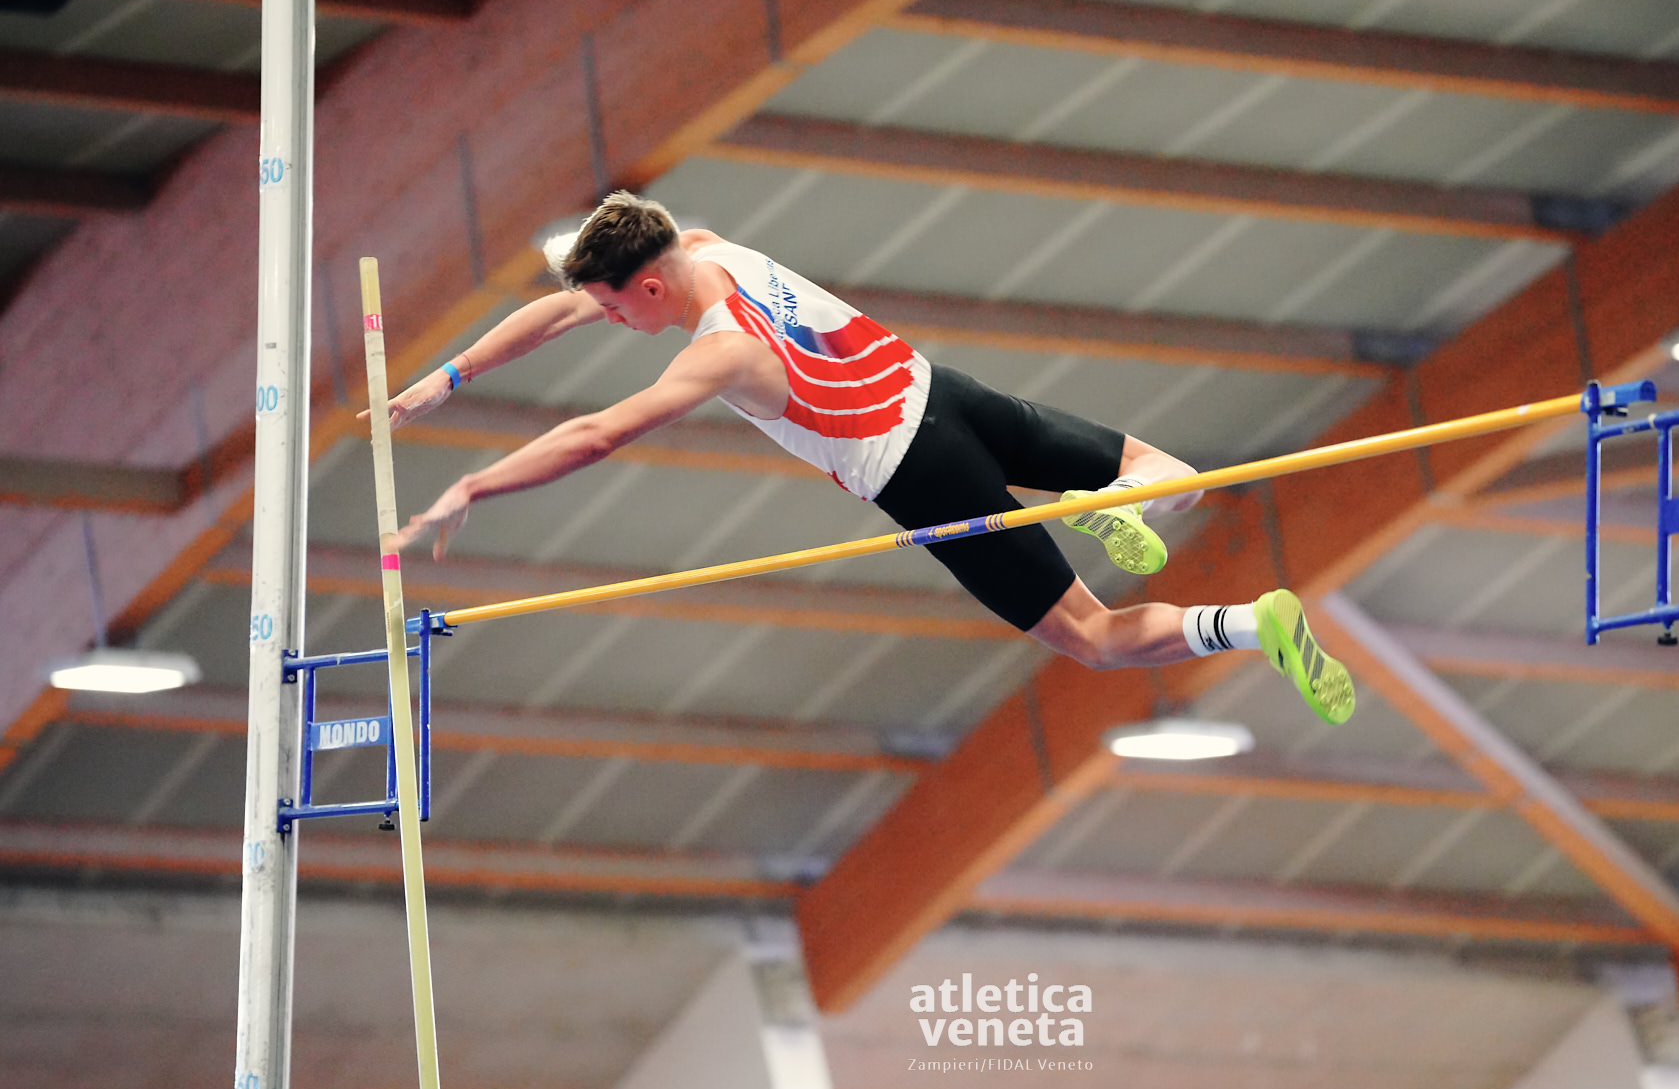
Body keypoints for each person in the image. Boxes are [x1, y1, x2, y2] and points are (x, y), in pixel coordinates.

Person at [384, 192, 1353, 726]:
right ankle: (1123, 501)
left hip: (918, 473)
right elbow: (554, 311)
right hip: (948, 393)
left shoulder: (722, 352)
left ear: (646, 285)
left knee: (1092, 639)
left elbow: (596, 433)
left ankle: (1245, 622)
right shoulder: (708, 243)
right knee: (1171, 472)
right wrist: (453, 374)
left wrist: (475, 482)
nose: (601, 320)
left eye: (609, 308)